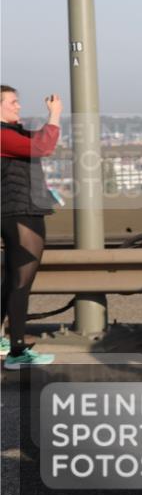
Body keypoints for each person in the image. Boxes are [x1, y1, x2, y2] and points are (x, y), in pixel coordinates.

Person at [0, 85, 61, 369]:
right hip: (21, 213)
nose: (18, 106)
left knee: (12, 281)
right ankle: (17, 352)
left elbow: (35, 143)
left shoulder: (10, 133)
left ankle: (6, 344)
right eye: (13, 102)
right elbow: (43, 146)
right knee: (21, 283)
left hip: (18, 209)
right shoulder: (2, 135)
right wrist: (55, 114)